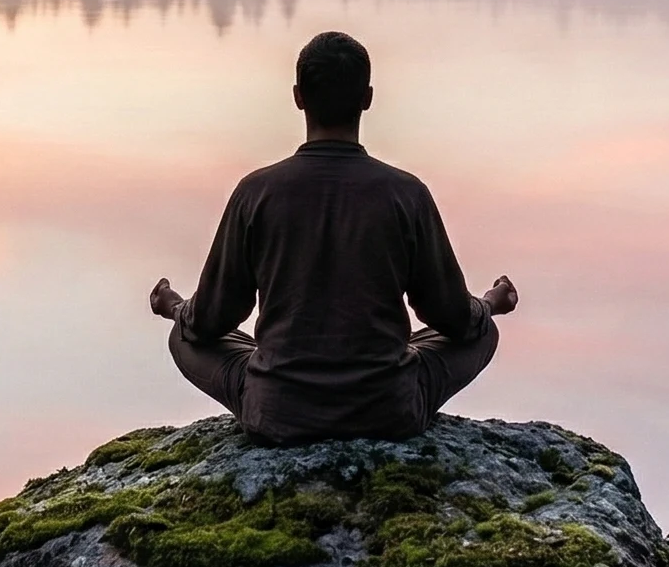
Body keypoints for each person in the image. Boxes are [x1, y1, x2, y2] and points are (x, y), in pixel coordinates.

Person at [149, 31, 519, 445]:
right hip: (388, 409)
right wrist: (489, 305)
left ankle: (279, 381)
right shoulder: (405, 194)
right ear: (368, 97)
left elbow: (211, 319)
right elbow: (452, 316)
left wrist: (176, 309)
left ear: (298, 97)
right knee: (482, 330)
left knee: (184, 336)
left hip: (277, 411)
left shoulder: (256, 193)